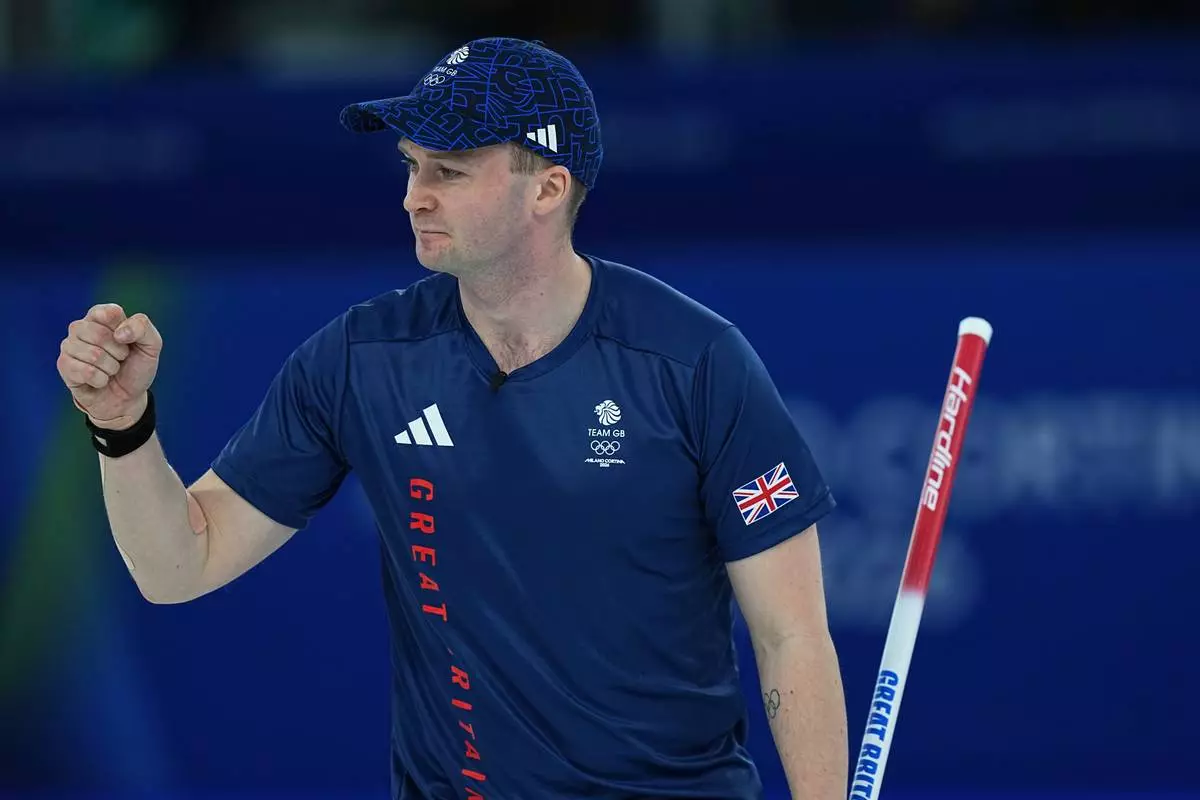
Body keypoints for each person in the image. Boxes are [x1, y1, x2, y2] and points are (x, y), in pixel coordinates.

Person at [55, 36, 848, 800]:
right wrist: (123, 427)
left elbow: (791, 637)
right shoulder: (362, 358)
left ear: (547, 188)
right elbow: (177, 568)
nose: (413, 195)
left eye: (450, 169)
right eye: (410, 165)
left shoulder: (695, 361)